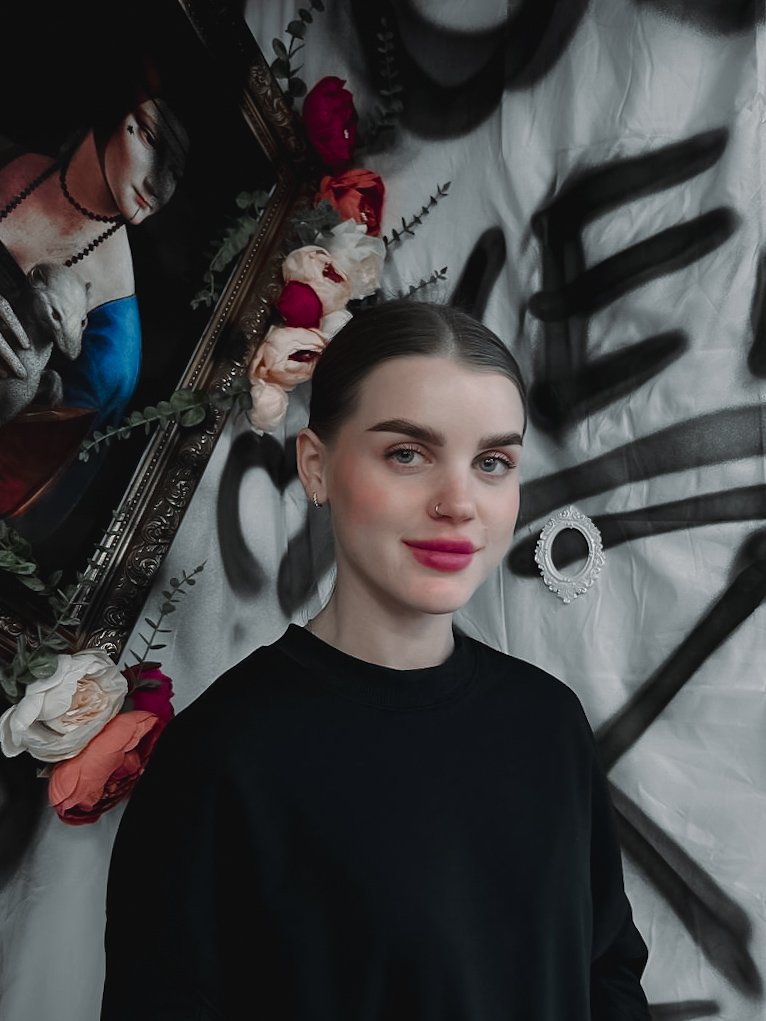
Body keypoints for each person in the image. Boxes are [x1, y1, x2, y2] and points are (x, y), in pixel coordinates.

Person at [100, 299, 651, 1020]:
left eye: (492, 462)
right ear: (316, 466)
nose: (459, 503)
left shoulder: (548, 722)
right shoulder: (222, 756)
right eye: (407, 454)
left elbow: (609, 974)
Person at [0, 91, 189, 523]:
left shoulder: (111, 345)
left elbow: (15, 498)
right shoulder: (9, 161)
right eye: (151, 138)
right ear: (113, 111)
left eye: (176, 170)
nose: (158, 186)